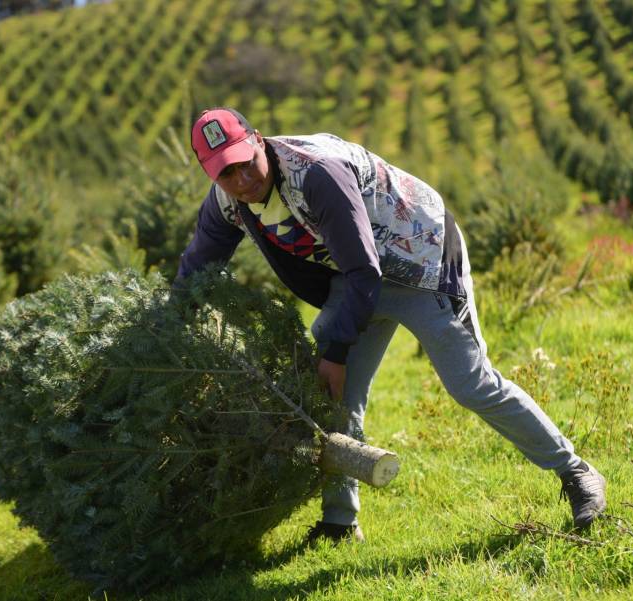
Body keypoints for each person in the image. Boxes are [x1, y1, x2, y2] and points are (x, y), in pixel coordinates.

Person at [177, 107, 607, 543]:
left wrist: (338, 352)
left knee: (471, 383)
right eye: (226, 173)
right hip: (355, 274)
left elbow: (366, 270)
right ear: (210, 174)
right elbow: (197, 269)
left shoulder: (317, 174)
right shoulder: (227, 201)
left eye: (246, 161)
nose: (242, 178)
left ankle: (576, 472)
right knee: (332, 396)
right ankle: (340, 524)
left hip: (421, 259)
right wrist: (169, 327)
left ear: (259, 140)